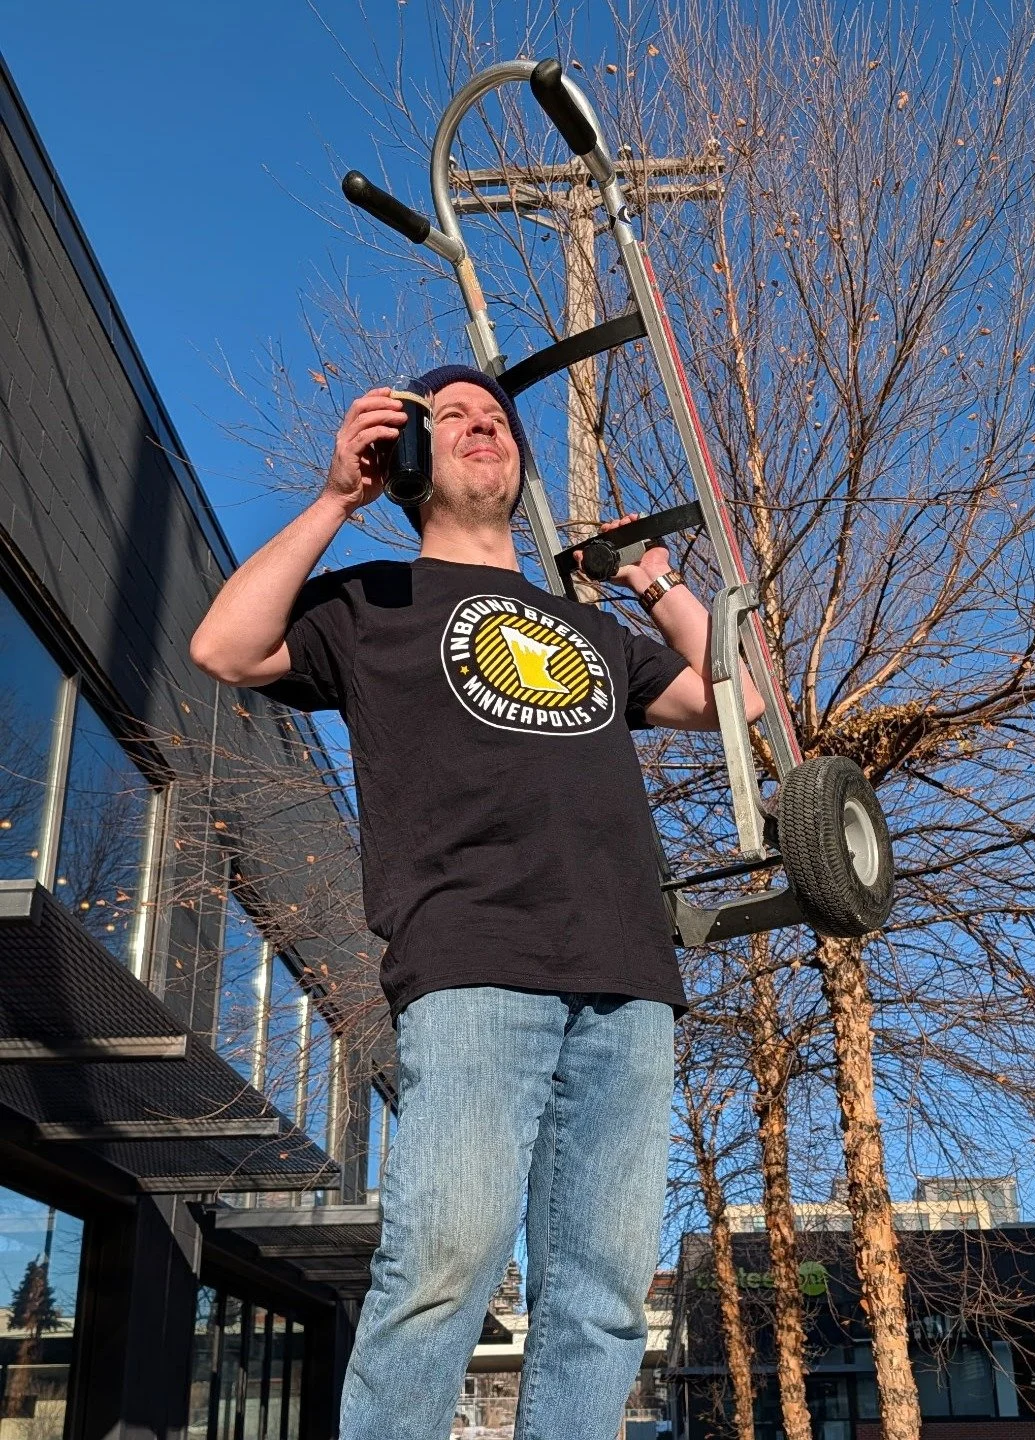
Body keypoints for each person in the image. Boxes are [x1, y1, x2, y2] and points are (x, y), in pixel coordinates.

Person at [190, 364, 764, 1440]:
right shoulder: (371, 604)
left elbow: (740, 702)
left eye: (497, 418)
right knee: (443, 1261)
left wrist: (652, 580)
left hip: (630, 975)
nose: (482, 428)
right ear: (411, 463)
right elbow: (225, 647)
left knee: (600, 1300)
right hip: (470, 958)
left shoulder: (589, 634)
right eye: (453, 418)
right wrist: (333, 502)